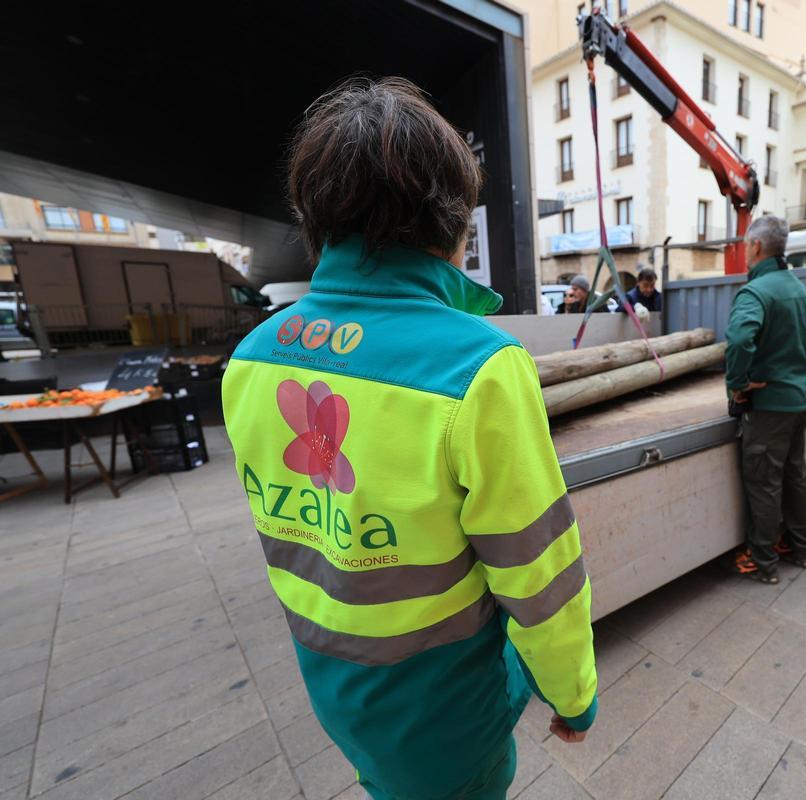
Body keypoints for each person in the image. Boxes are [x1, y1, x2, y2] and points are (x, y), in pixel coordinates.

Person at [220, 77, 597, 800]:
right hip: (445, 709)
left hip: (334, 686)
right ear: (453, 222)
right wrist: (572, 693)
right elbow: (540, 575)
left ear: (315, 216)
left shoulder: (253, 359)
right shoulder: (477, 367)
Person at [724, 216, 806, 584]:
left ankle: (762, 561)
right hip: (800, 400)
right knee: (795, 475)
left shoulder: (756, 292)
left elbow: (739, 339)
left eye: (746, 246)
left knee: (764, 482)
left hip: (770, 407)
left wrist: (738, 383)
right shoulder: (798, 288)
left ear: (757, 247)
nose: (746, 253)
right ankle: (801, 549)